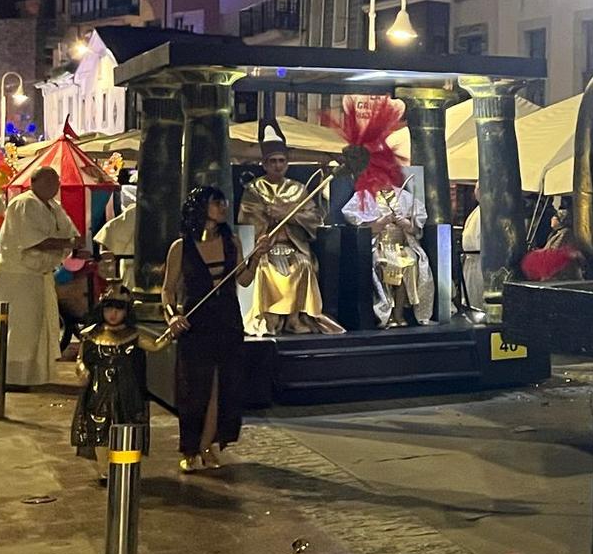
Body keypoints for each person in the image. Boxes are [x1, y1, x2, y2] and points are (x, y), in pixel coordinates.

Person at [163, 185, 253, 473]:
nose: (223, 208)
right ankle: (191, 447)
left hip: (227, 322)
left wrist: (258, 255)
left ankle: (210, 445)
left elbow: (245, 280)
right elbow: (167, 290)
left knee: (222, 386)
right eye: (217, 203)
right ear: (201, 208)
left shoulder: (232, 242)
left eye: (224, 203)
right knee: (194, 389)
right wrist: (171, 317)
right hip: (196, 324)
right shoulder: (181, 247)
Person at [239, 127, 341, 335]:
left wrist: (289, 214)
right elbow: (248, 219)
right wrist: (269, 219)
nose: (278, 165)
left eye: (281, 161)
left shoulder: (299, 189)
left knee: (303, 265)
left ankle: (295, 318)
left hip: (293, 247)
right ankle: (270, 319)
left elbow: (314, 218)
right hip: (266, 248)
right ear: (265, 164)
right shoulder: (253, 190)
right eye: (273, 161)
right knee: (265, 269)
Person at [71, 286, 180, 478]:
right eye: (109, 308)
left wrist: (171, 332)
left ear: (126, 311)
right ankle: (105, 470)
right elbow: (81, 359)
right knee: (99, 429)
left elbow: (155, 345)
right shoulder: (91, 335)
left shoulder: (133, 335)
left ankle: (124, 468)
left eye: (119, 309)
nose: (113, 314)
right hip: (99, 390)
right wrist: (82, 370)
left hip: (127, 390)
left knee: (127, 427)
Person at [0, 166, 82, 389]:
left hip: (40, 276)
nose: (55, 187)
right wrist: (68, 244)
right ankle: (12, 377)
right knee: (20, 328)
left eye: (57, 183)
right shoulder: (23, 203)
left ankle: (32, 375)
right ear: (35, 183)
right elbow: (34, 240)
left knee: (38, 327)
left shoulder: (53, 206)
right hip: (17, 276)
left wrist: (76, 244)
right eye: (49, 183)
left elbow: (70, 233)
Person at [342, 170, 433, 326]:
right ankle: (386, 313)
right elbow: (355, 221)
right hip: (379, 245)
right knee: (385, 264)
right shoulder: (364, 196)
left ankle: (399, 313)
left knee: (410, 263)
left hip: (402, 245)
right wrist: (380, 222)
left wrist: (406, 224)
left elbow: (416, 228)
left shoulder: (404, 196)